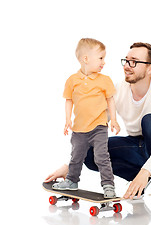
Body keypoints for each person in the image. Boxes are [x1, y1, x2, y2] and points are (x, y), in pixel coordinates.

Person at [45, 42, 151, 213]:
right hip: (135, 145)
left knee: (150, 121)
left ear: (149, 69)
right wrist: (70, 166)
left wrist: (145, 172)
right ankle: (138, 178)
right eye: (126, 60)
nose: (126, 65)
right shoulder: (118, 89)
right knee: (91, 153)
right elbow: (94, 125)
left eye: (134, 61)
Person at [51, 38, 120, 198]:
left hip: (99, 127)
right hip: (79, 129)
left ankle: (108, 185)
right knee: (76, 157)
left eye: (104, 58)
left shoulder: (104, 80)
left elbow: (111, 100)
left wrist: (114, 120)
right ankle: (72, 181)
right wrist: (68, 119)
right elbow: (69, 100)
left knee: (101, 157)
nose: (104, 62)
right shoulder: (72, 80)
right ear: (86, 59)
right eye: (101, 58)